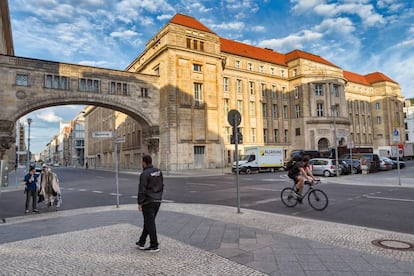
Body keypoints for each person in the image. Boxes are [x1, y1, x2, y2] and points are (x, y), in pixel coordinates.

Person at [136, 155, 164, 252]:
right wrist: (159, 196)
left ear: (144, 162)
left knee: (150, 223)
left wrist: (140, 202)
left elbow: (142, 190)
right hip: (157, 200)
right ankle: (141, 241)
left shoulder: (144, 174)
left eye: (142, 162)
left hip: (148, 201)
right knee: (149, 222)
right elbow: (162, 185)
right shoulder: (158, 171)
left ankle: (154, 245)